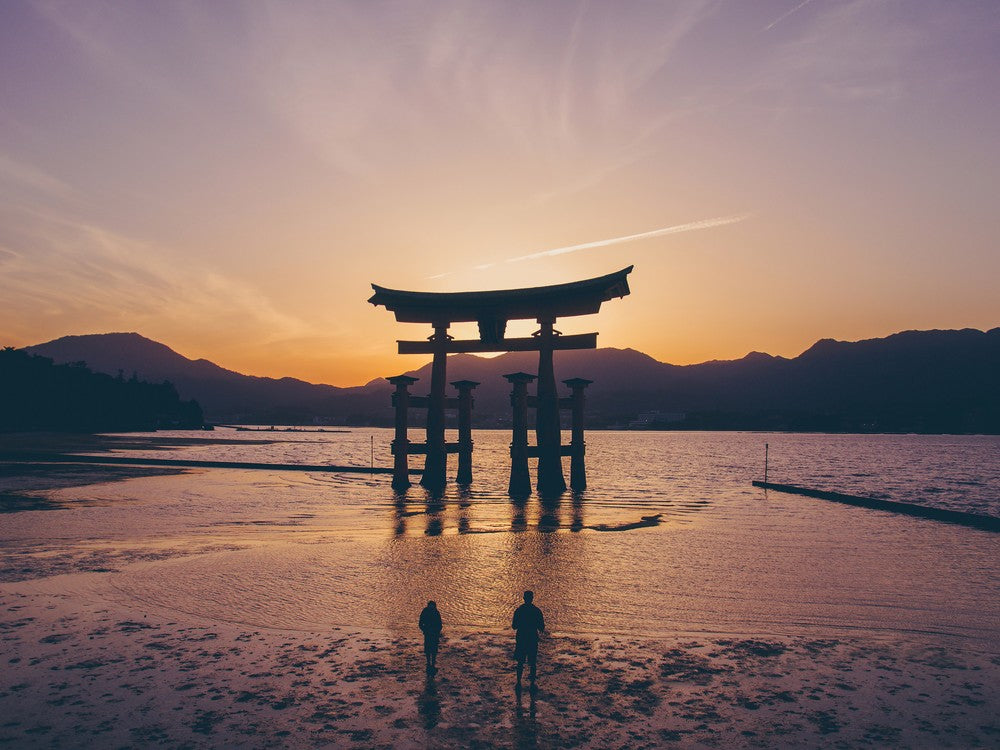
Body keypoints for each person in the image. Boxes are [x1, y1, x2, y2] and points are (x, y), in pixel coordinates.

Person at [511, 590, 545, 689]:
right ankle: (532, 683)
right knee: (533, 662)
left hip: (521, 637)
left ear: (524, 598)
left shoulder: (519, 610)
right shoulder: (537, 611)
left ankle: (518, 682)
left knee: (520, 662)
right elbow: (541, 627)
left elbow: (514, 626)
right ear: (532, 598)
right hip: (532, 638)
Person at [418, 600, 442, 674]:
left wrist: (436, 631)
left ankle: (431, 664)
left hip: (432, 633)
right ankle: (429, 664)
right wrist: (424, 630)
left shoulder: (434, 612)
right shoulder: (429, 612)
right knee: (430, 650)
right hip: (429, 633)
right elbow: (420, 623)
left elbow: (439, 625)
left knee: (432, 650)